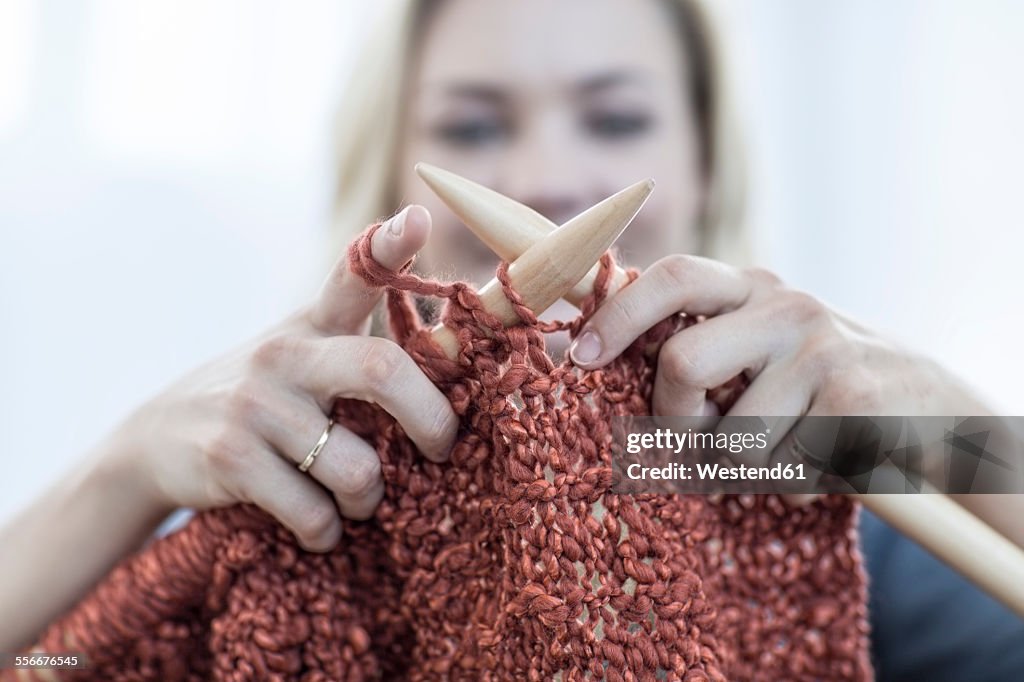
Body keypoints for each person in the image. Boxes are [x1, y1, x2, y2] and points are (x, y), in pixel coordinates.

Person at [1, 0, 1021, 679]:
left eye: (615, 120)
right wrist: (122, 472)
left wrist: (949, 429)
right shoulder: (295, 489)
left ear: (704, 163)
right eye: (474, 128)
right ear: (391, 163)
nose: (545, 176)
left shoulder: (784, 480)